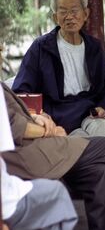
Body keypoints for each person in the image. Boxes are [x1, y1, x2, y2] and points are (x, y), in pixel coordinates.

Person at [1, 82, 105, 230]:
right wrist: (48, 131)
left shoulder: (94, 54)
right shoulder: (41, 54)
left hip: (64, 127)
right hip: (26, 153)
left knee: (101, 170)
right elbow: (13, 126)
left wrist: (35, 116)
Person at [12, 0, 105, 146]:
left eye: (74, 11)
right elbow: (21, 91)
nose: (69, 16)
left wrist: (103, 106)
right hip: (57, 117)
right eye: (63, 12)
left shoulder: (93, 47)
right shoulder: (41, 47)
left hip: (90, 113)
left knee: (103, 130)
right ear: (55, 17)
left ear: (85, 14)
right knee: (86, 145)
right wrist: (40, 116)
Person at [1, 86, 78, 230]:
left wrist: (34, 117)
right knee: (58, 193)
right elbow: (15, 127)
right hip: (8, 199)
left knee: (102, 156)